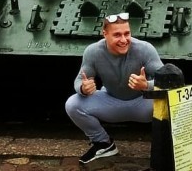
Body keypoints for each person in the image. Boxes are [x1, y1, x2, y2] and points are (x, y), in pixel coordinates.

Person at [65, 12, 164, 164]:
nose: (124, 40)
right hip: (112, 103)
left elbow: (167, 81)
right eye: (117, 35)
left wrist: (147, 85)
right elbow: (79, 79)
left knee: (173, 101)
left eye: (127, 33)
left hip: (145, 105)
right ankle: (103, 144)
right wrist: (83, 88)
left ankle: (170, 147)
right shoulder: (93, 51)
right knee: (73, 104)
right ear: (105, 34)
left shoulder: (145, 49)